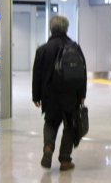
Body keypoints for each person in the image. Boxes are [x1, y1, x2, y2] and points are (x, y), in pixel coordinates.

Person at [32, 16, 86, 171]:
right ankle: (65, 160)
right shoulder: (74, 47)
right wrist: (82, 94)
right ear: (66, 29)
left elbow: (37, 75)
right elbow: (82, 73)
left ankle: (48, 147)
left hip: (50, 95)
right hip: (70, 95)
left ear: (51, 29)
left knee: (50, 122)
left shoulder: (43, 49)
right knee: (69, 126)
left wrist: (36, 96)